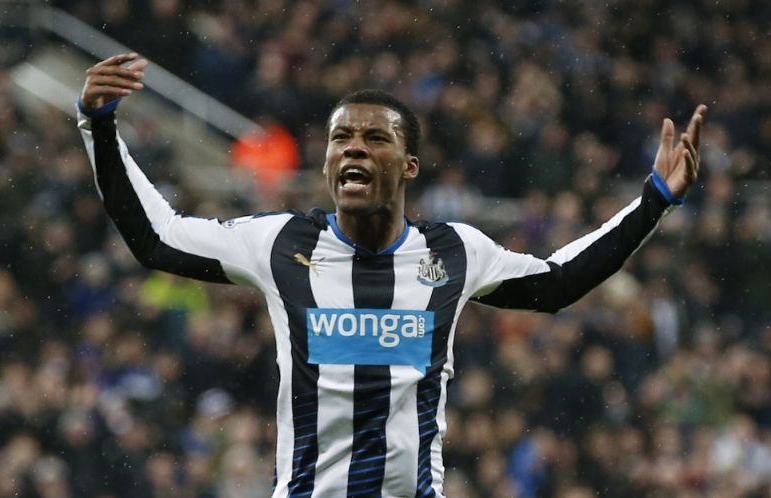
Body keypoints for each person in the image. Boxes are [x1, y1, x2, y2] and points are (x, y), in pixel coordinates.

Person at [78, 53, 706, 498]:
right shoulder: (281, 243)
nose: (353, 146)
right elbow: (156, 239)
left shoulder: (455, 252)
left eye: (374, 138)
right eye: (341, 137)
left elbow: (558, 282)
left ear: (408, 165)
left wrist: (654, 200)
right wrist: (99, 127)